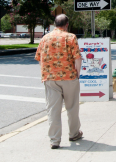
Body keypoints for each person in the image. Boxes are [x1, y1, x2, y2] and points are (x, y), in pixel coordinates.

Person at [35, 14, 83, 149]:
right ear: (67, 24)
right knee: (72, 107)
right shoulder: (71, 37)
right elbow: (77, 58)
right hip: (69, 77)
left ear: (54, 24)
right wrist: (77, 74)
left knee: (53, 109)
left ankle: (54, 140)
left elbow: (39, 57)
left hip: (50, 78)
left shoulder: (45, 38)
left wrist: (45, 74)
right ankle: (74, 134)